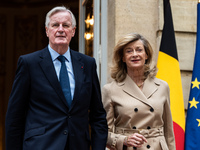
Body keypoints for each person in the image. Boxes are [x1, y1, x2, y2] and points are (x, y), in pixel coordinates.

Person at [5, 6, 108, 150]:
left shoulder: (87, 64)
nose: (60, 29)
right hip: (40, 146)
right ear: (47, 30)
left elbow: (98, 116)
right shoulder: (29, 63)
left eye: (66, 25)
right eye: (55, 25)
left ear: (73, 31)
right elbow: (14, 117)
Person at [102, 33, 176, 150]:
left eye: (139, 50)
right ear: (123, 58)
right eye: (129, 51)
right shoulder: (110, 90)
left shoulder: (162, 86)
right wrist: (124, 140)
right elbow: (103, 133)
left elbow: (168, 131)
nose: (135, 54)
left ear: (146, 55)